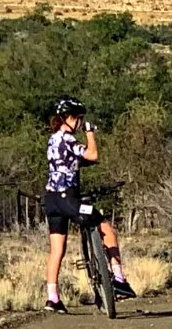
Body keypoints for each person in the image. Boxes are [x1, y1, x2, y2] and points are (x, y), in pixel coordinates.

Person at [43, 96, 136, 312]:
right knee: (107, 228)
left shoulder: (53, 140)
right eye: (77, 117)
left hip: (52, 200)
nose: (79, 121)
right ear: (66, 118)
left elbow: (67, 162)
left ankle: (53, 297)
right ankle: (119, 278)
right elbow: (93, 154)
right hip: (69, 198)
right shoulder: (68, 139)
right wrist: (90, 133)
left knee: (57, 249)